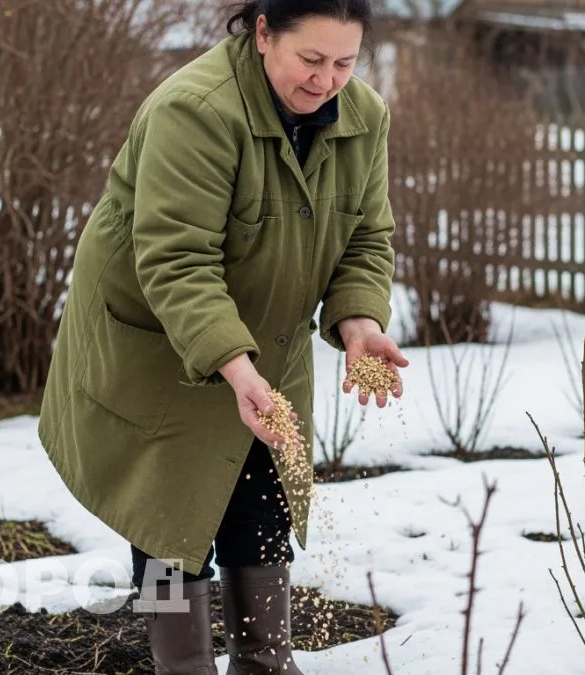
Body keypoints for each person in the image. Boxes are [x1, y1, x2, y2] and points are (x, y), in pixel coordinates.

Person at [37, 0, 409, 673]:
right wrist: (236, 370)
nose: (328, 81)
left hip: (273, 348)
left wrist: (360, 323)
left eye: (345, 63)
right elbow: (178, 260)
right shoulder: (195, 110)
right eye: (312, 60)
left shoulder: (365, 118)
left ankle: (266, 661)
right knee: (165, 520)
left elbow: (365, 238)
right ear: (264, 33)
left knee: (261, 502)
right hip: (160, 347)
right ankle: (182, 665)